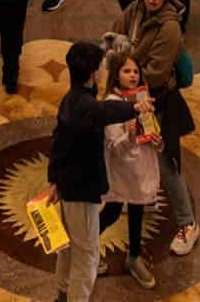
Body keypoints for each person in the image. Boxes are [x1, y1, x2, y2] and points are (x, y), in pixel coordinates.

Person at [43, 39, 147, 302]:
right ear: (92, 73)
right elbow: (107, 110)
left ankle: (62, 294)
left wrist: (53, 179)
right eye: (99, 67)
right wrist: (134, 106)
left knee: (67, 247)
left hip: (67, 185)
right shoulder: (87, 106)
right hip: (81, 191)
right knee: (87, 254)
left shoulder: (70, 99)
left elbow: (58, 141)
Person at [109, 0, 200, 258]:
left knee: (166, 161)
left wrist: (125, 71)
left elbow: (157, 73)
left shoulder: (170, 27)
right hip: (137, 99)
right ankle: (145, 197)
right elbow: (114, 38)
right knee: (139, 151)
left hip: (158, 103)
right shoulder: (134, 10)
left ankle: (188, 223)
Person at [97, 43, 161, 288]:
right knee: (112, 211)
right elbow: (114, 147)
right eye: (127, 71)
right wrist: (131, 135)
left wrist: (158, 141)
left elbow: (152, 132)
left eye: (136, 71)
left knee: (137, 210)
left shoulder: (143, 98)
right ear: (116, 75)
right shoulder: (112, 103)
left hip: (140, 169)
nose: (133, 75)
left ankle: (133, 257)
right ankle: (83, 247)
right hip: (121, 172)